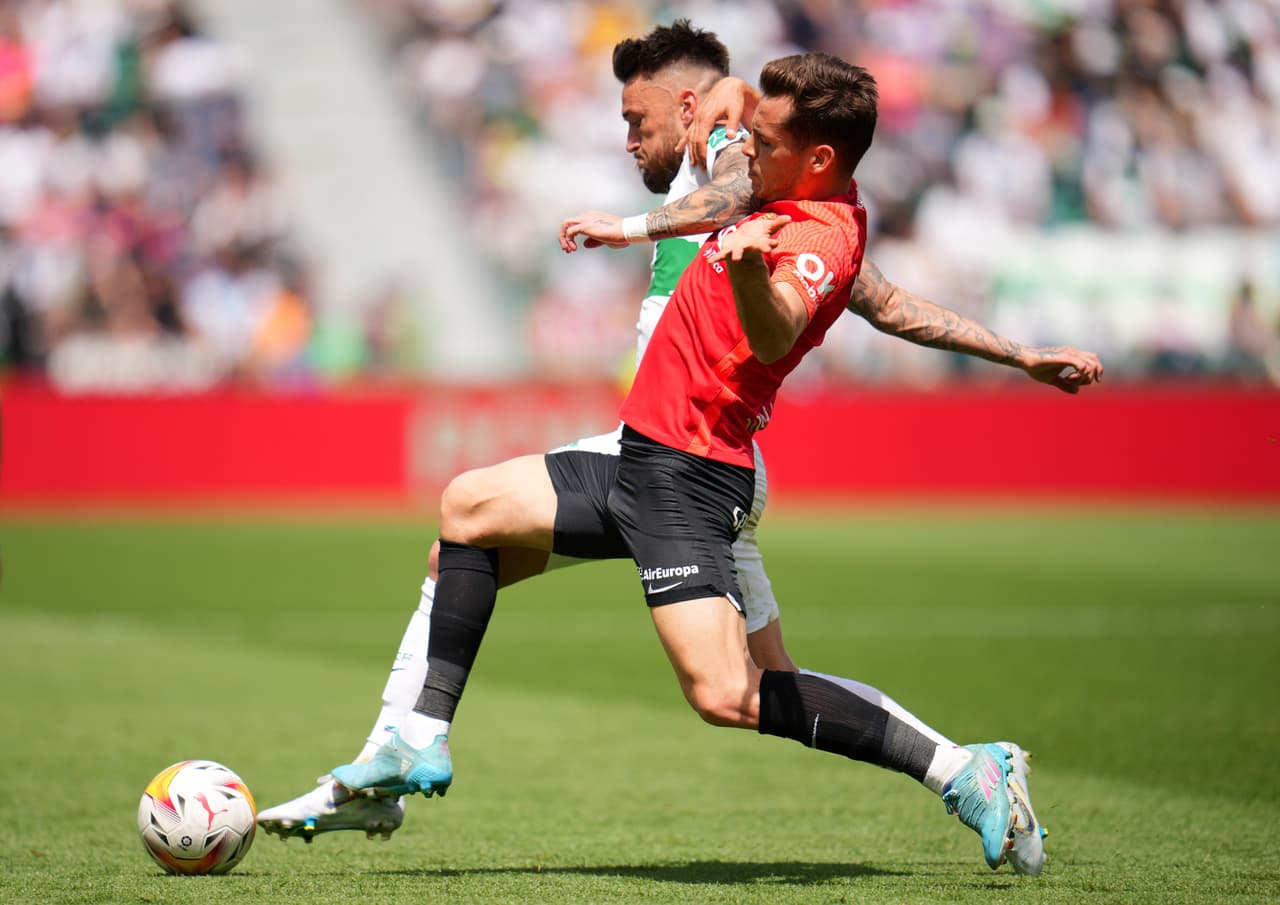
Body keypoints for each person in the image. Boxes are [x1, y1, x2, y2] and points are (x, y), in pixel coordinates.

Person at [322, 49, 1103, 877]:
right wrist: (1019, 353)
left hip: (691, 475)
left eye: (764, 141)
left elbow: (778, 327)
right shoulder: (783, 183)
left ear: (819, 160)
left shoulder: (814, 238)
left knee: (728, 691)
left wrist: (748, 267)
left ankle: (964, 769)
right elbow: (895, 305)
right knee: (468, 507)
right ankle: (420, 738)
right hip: (640, 454)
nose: (746, 151)